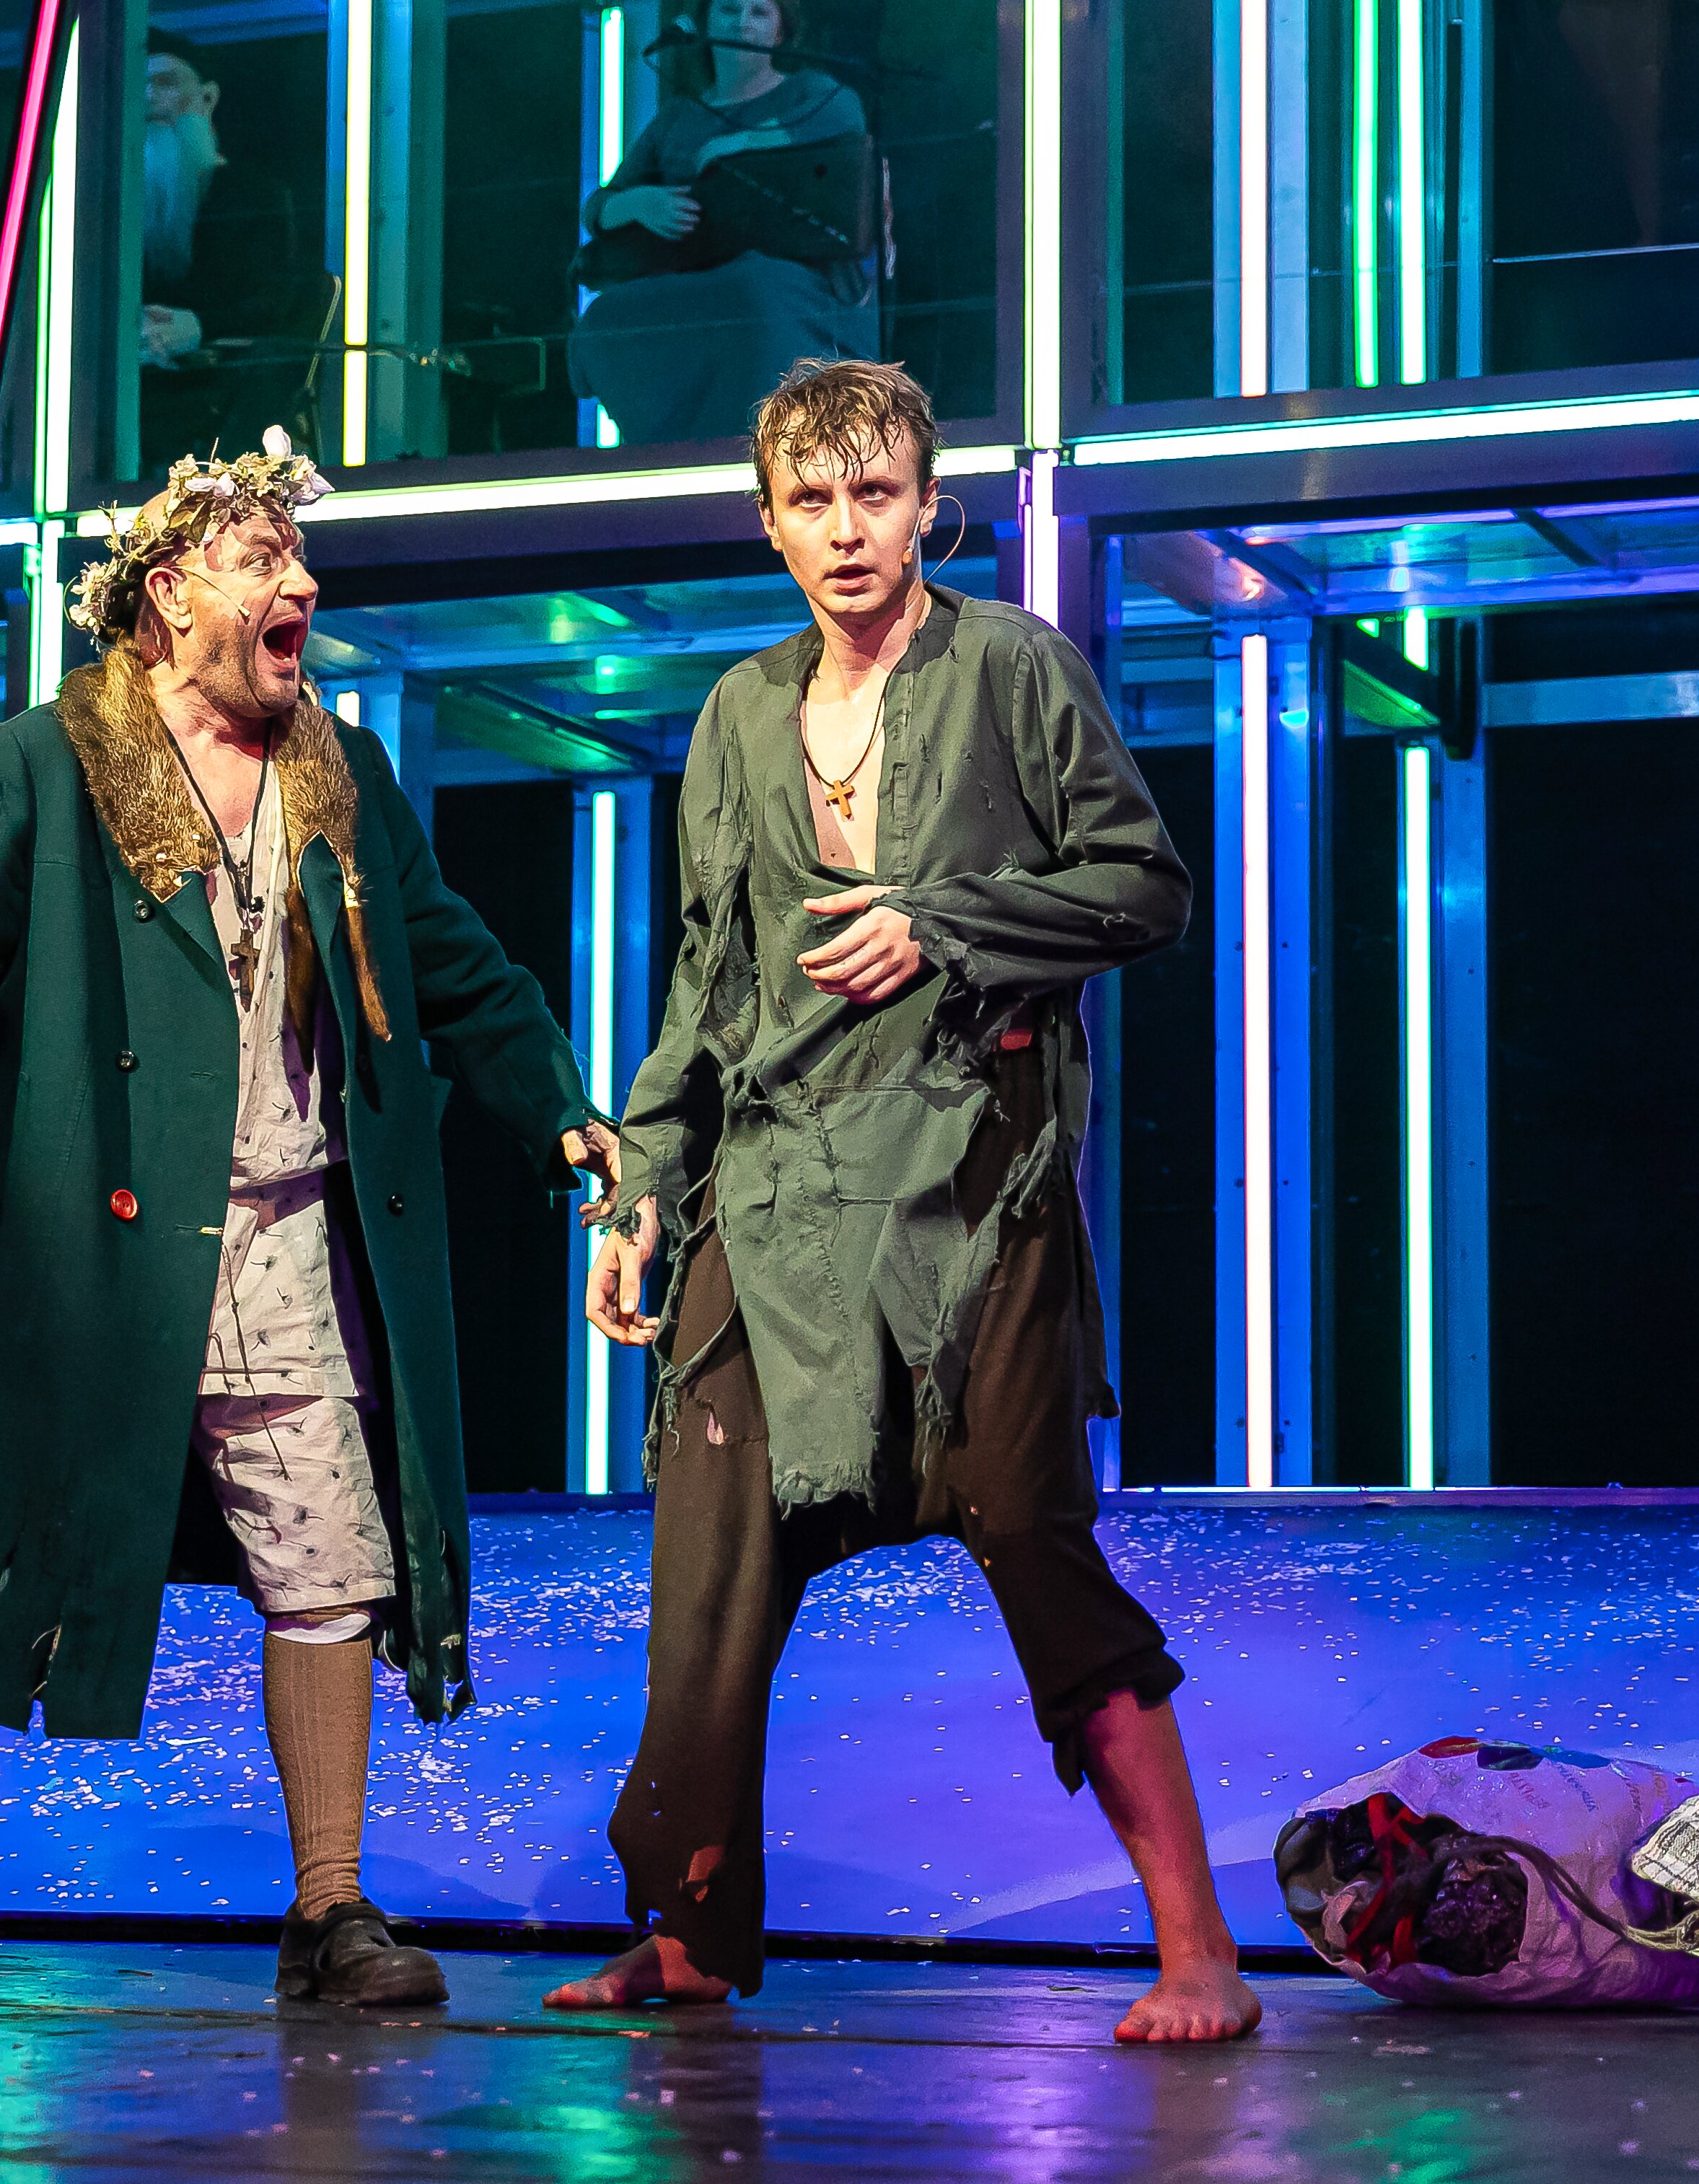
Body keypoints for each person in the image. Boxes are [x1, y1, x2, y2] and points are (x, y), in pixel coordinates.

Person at [0, 431, 613, 2009]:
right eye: (262, 561)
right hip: (90, 1252)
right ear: (170, 593)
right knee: (2, 1548)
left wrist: (558, 1104)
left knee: (332, 1561)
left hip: (294, 1237)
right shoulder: (42, 765)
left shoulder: (338, 775)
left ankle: (330, 1910)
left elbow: (452, 964)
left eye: (303, 560)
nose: (302, 585)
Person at [548, 359, 1260, 2043]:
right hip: (769, 1194)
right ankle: (689, 1935)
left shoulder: (1011, 666)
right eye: (810, 500)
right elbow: (706, 988)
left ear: (928, 505)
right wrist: (643, 1183)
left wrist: (943, 921)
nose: (845, 529)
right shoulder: (735, 712)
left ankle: (1198, 1953)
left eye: (874, 494)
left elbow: (1143, 885)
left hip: (964, 1190)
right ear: (767, 521)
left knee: (1028, 1534)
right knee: (704, 1570)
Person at [569, 0, 877, 447]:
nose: (743, 24)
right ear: (705, 23)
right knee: (608, 316)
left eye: (759, 13)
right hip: (691, 280)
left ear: (781, 30)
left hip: (791, 283)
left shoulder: (814, 93)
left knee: (754, 289)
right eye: (730, 10)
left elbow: (847, 123)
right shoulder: (678, 117)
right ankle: (665, 450)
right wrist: (640, 203)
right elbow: (598, 208)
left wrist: (745, 141)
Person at [141, 36, 322, 475]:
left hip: (222, 387)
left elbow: (271, 303)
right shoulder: (111, 210)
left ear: (207, 97)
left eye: (165, 83)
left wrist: (196, 326)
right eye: (138, 87)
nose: (148, 99)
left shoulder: (256, 193)